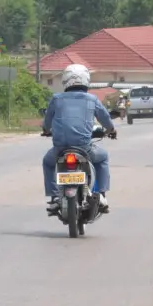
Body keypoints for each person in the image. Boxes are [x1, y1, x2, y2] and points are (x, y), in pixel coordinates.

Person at [40, 63, 116, 215]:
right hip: (84, 148)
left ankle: (55, 197)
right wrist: (111, 130)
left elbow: (47, 121)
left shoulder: (56, 99)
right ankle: (101, 194)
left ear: (65, 80)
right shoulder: (92, 99)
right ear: (86, 80)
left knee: (48, 163)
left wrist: (46, 130)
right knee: (102, 159)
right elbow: (105, 119)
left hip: (60, 148)